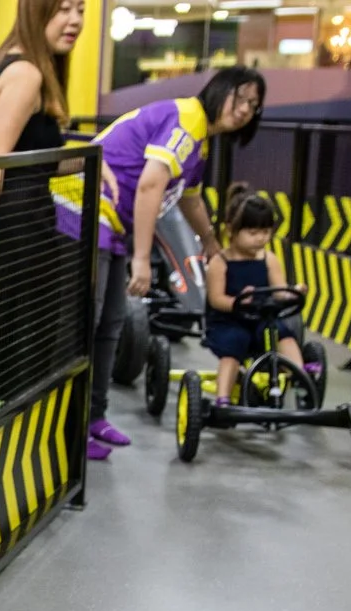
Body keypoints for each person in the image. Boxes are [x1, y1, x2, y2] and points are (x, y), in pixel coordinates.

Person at [86, 66, 264, 460]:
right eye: (241, 97)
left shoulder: (200, 142)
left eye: (254, 104)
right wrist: (142, 261)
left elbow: (190, 199)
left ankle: (93, 417)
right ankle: (70, 428)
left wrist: (213, 245)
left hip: (112, 224)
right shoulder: (187, 118)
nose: (246, 109)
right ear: (220, 90)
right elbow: (151, 185)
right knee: (87, 322)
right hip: (85, 210)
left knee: (110, 324)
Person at [0, 0, 83, 405]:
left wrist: (98, 158)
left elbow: (32, 161)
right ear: (38, 12)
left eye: (82, 9)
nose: (75, 21)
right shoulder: (26, 73)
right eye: (63, 9)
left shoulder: (18, 64)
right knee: (2, 351)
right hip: (18, 232)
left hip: (22, 223)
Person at [203, 186, 312, 403]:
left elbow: (279, 292)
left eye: (266, 232)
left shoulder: (268, 259)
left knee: (283, 334)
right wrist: (238, 302)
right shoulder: (220, 263)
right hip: (228, 322)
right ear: (231, 231)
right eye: (253, 233)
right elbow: (216, 299)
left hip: (262, 320)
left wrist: (293, 294)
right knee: (234, 347)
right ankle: (223, 398)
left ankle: (300, 377)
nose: (260, 239)